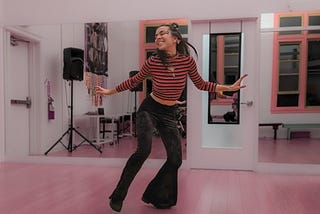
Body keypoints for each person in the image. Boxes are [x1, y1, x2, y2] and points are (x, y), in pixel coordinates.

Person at [95, 23, 248, 212]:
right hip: (149, 109)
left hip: (168, 113)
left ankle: (155, 194)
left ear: (175, 39)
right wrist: (110, 91)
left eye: (162, 33)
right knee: (144, 150)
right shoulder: (153, 62)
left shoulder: (187, 62)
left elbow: (201, 84)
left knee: (175, 160)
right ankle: (118, 195)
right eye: (156, 35)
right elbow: (134, 81)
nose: (157, 37)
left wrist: (228, 87)